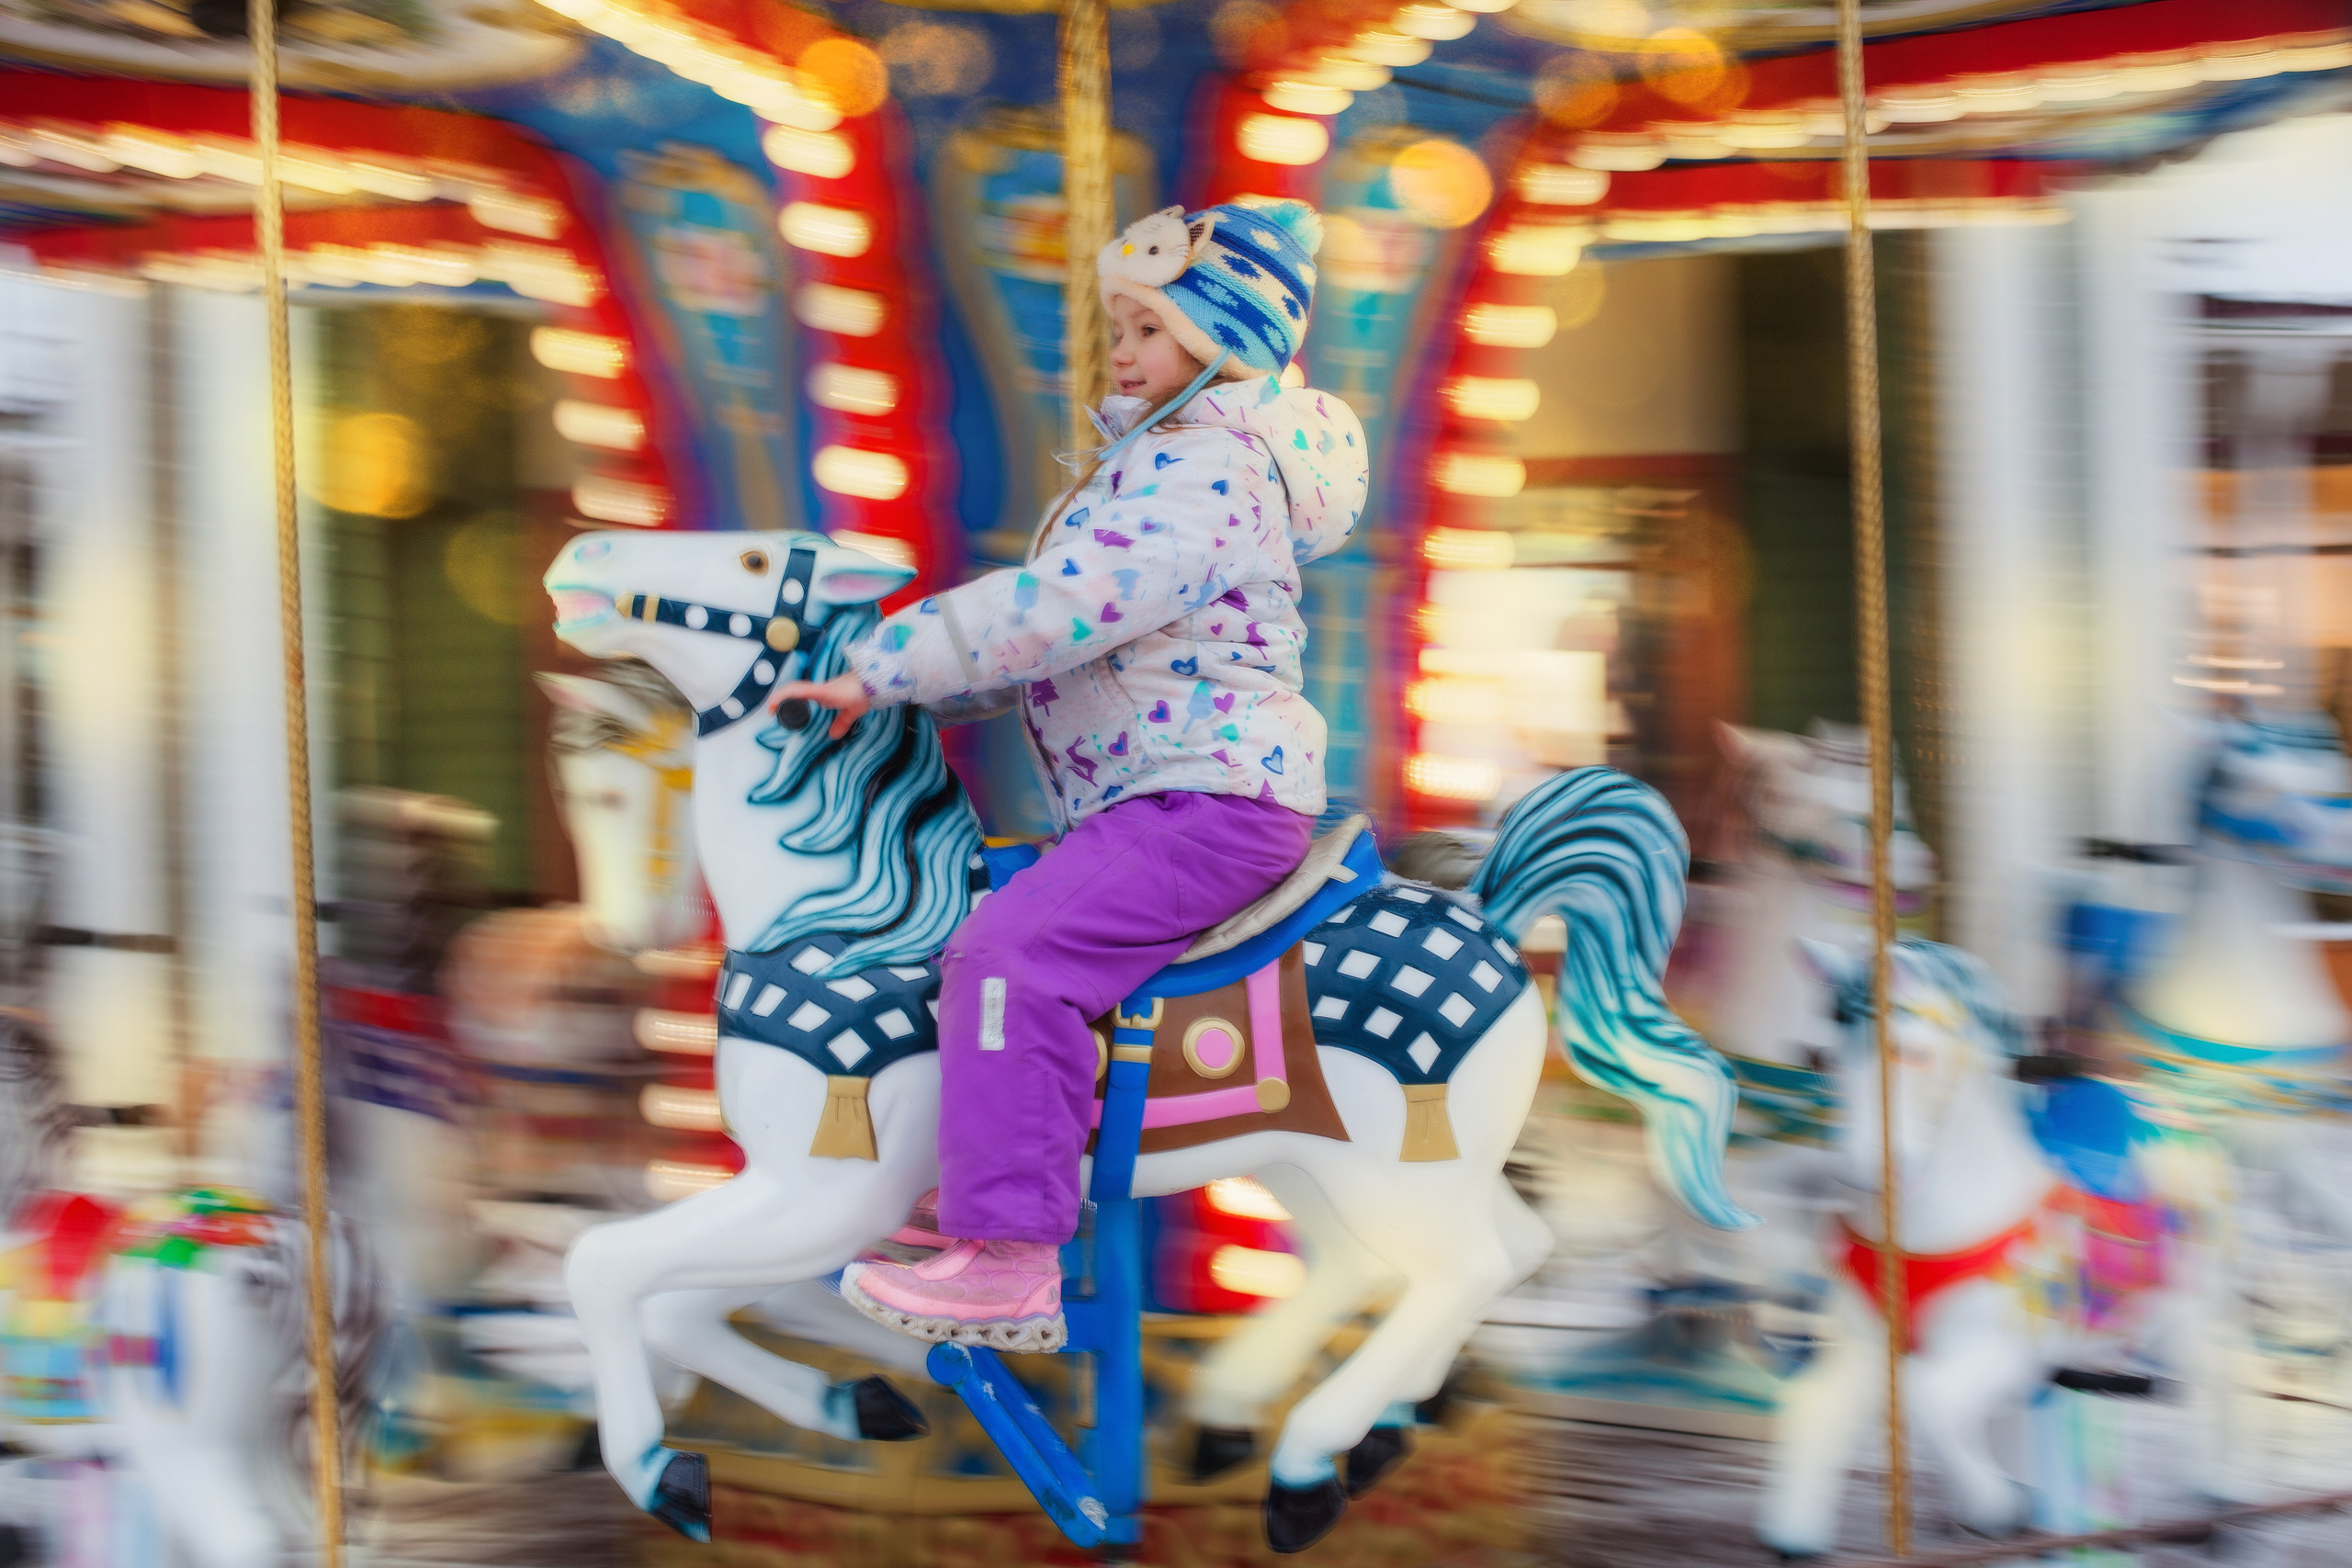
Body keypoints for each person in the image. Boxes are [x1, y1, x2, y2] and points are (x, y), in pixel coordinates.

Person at [769, 200, 1368, 1351]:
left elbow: (1066, 609)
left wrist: (883, 664)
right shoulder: (1159, 464)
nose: (1123, 355)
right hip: (1160, 786)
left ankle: (1009, 1259)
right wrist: (916, 692)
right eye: (1121, 330)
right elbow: (1076, 644)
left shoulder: (1209, 472)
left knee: (1010, 956)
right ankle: (989, 1173)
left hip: (1203, 797)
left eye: (1144, 328)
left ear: (1219, 338)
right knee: (971, 916)